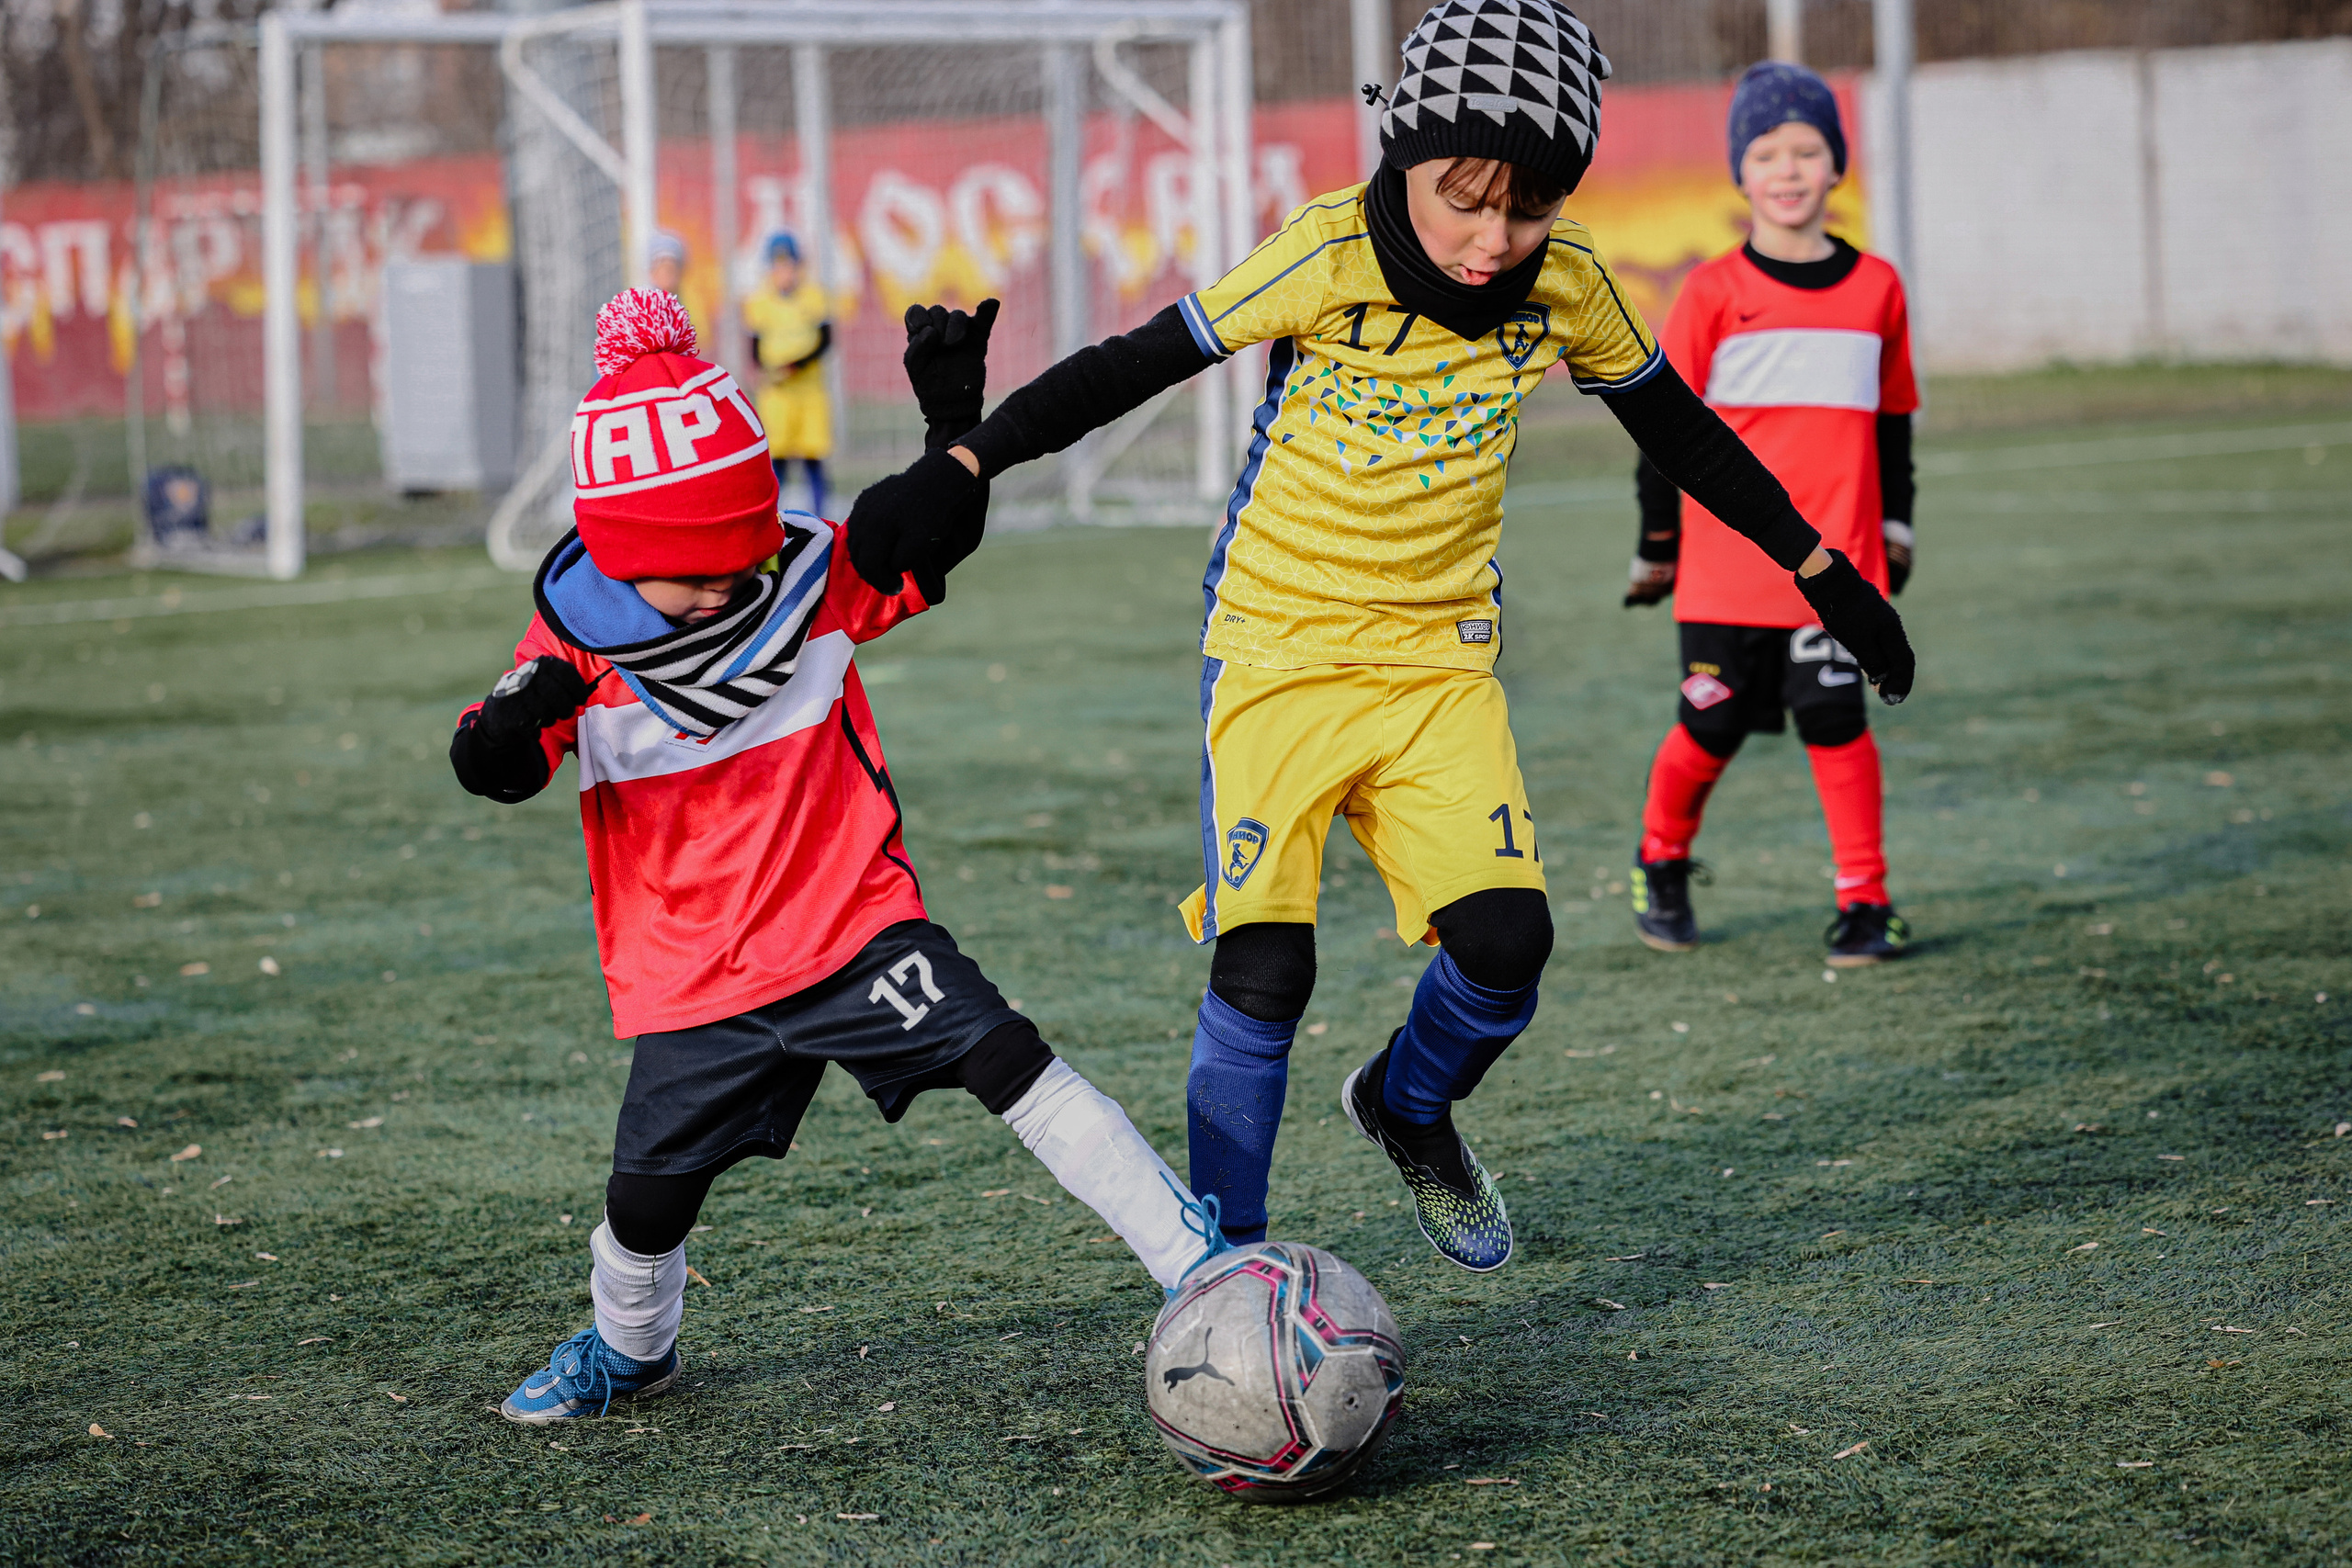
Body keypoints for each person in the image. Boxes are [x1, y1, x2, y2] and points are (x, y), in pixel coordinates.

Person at [842, 0, 1913, 1274]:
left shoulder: (1569, 286)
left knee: (1508, 947)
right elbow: (1133, 363)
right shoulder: (1325, 249)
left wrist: (1822, 570)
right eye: (1467, 199)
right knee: (1265, 966)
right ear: (1404, 152)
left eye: (1529, 208)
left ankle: (1407, 1103)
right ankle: (1225, 1270)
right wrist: (967, 454)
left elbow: (1684, 433)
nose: (1494, 238)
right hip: (1277, 646)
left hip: (1436, 662)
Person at [452, 288, 1226, 1424]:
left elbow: (925, 535)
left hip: (852, 926)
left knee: (1011, 1060)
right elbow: (496, 764)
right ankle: (631, 1350)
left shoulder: (811, 578)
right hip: (696, 974)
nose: (722, 589)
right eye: (690, 574)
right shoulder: (573, 642)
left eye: (735, 560)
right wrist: (508, 729)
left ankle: (1201, 1271)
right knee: (646, 1203)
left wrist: (950, 431)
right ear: (616, 561)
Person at [1622, 62, 1917, 965]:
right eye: (1765, 154)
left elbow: (1893, 421)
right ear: (1739, 174)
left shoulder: (1878, 288)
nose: (1787, 170)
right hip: (1723, 569)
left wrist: (1898, 525)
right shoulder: (1710, 293)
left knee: (1836, 720)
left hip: (1837, 564)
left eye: (1806, 150)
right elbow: (1661, 433)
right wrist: (1657, 543)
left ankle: (1865, 901)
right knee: (1710, 726)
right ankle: (1659, 861)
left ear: (1837, 166)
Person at [742, 232, 833, 517]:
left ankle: (821, 516)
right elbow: (755, 346)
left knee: (812, 456)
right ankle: (773, 520)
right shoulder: (760, 301)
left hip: (808, 392)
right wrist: (765, 370)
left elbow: (825, 341)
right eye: (778, 265)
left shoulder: (813, 297)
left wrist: (797, 365)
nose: (784, 272)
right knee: (776, 459)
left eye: (788, 264)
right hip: (777, 394)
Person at [647, 229, 688, 299]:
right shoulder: (643, 303)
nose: (666, 275)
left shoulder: (688, 302)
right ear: (652, 272)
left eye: (671, 270)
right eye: (661, 265)